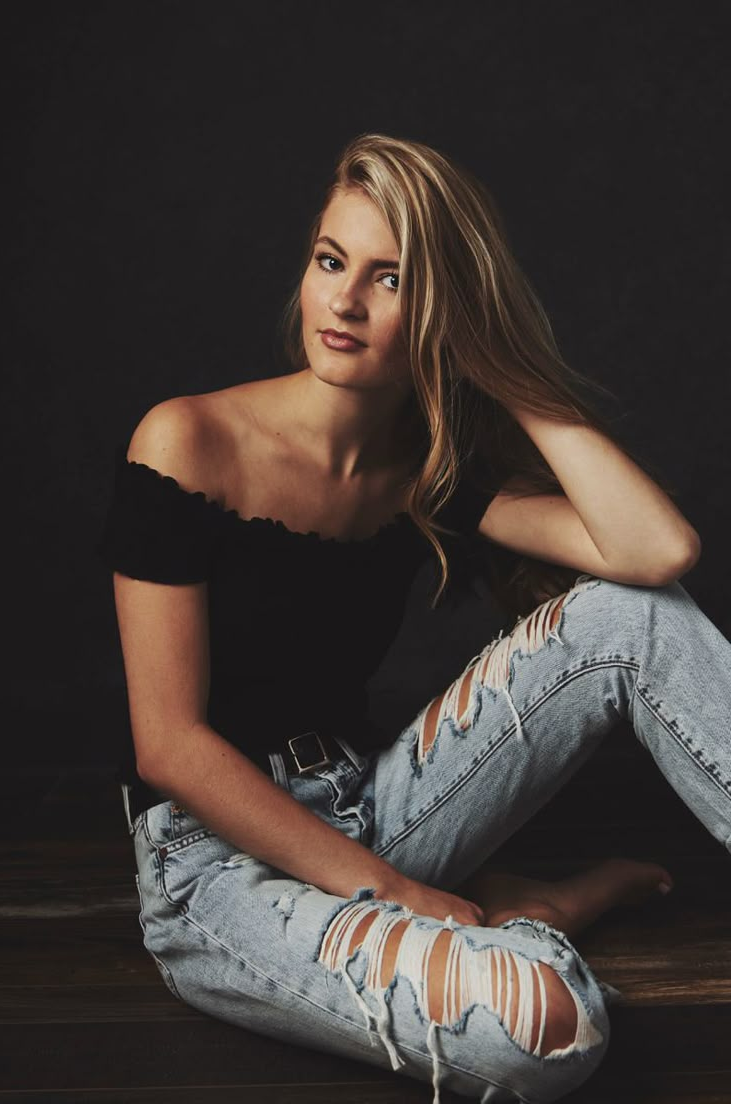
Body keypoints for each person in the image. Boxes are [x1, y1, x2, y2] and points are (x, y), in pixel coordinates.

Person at [96, 133, 729, 1104]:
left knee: (628, 616)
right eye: (329, 261)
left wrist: (500, 366)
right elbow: (169, 747)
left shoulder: (423, 473)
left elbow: (654, 553)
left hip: (373, 810)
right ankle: (523, 916)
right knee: (547, 1020)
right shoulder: (185, 443)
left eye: (389, 280)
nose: (343, 302)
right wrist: (390, 894)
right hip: (214, 873)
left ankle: (477, 909)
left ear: (440, 314)